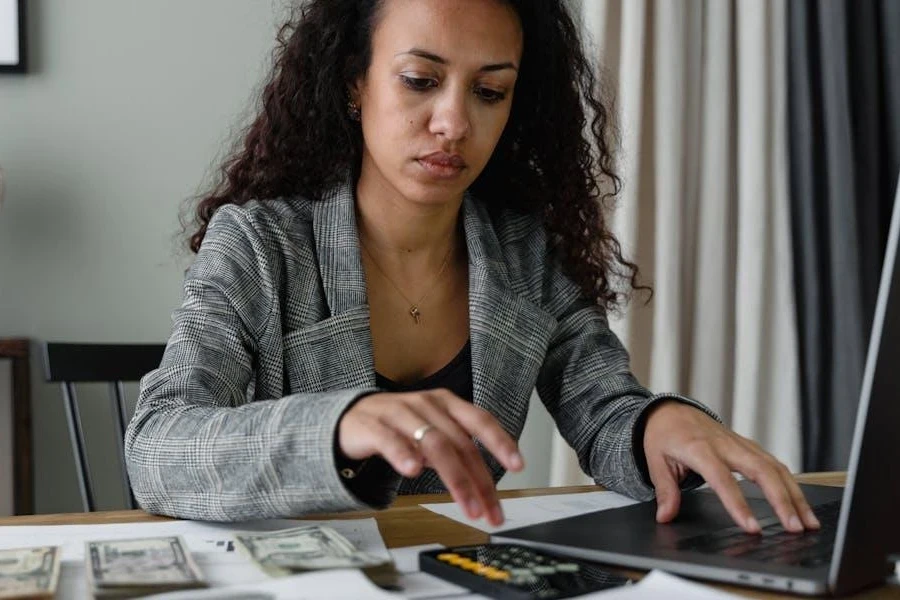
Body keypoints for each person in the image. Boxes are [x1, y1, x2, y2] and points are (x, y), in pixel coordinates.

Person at [125, 0, 820, 535]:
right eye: (421, 80)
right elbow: (157, 447)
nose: (454, 122)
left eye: (489, 91)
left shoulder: (524, 255)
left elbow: (605, 410)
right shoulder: (258, 243)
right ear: (354, 85)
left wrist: (656, 425)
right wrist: (342, 425)